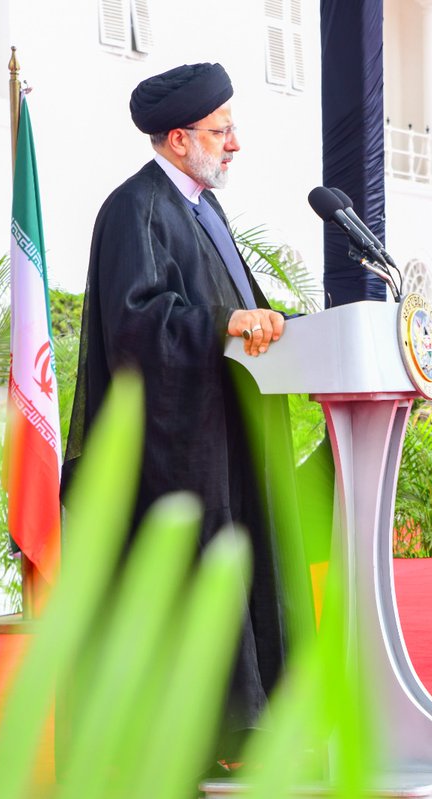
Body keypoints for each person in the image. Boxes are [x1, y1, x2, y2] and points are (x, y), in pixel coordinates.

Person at [62, 62, 288, 754]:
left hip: (225, 432)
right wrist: (227, 321)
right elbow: (136, 323)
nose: (235, 144)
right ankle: (201, 734)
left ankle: (247, 724)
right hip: (173, 450)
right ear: (179, 138)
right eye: (222, 131)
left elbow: (233, 310)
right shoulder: (136, 208)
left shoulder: (202, 206)